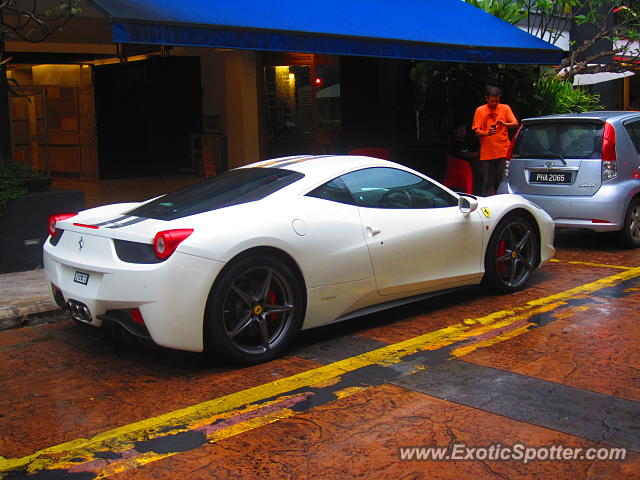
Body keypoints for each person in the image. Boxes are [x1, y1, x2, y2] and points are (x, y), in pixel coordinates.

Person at [472, 86, 518, 196]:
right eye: (492, 101)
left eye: (496, 101)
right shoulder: (480, 110)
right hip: (487, 152)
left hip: (503, 150)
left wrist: (505, 124)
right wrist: (486, 133)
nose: (494, 103)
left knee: (501, 179)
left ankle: (502, 200)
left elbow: (515, 123)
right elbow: (476, 130)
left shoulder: (505, 108)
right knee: (487, 181)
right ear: (486, 98)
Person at [449, 123, 481, 194]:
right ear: (455, 132)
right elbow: (464, 155)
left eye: (464, 131)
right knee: (480, 172)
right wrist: (478, 154)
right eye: (460, 131)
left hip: (472, 164)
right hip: (460, 168)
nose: (463, 133)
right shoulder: (453, 144)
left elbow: (477, 149)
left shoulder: (469, 142)